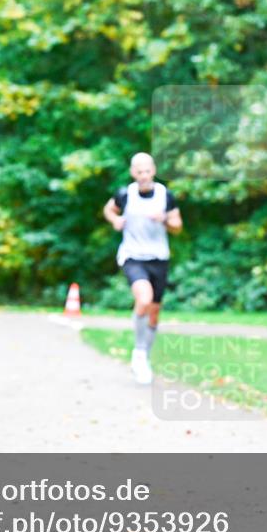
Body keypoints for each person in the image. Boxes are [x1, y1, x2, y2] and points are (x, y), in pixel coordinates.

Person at [103, 152, 183, 384]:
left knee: (154, 312)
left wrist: (164, 219)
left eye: (147, 171)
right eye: (139, 171)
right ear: (133, 173)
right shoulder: (124, 194)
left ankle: (145, 357)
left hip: (159, 257)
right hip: (133, 256)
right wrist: (115, 220)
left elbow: (178, 225)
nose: (144, 175)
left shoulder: (165, 195)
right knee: (144, 299)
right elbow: (109, 210)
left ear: (154, 171)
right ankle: (138, 352)